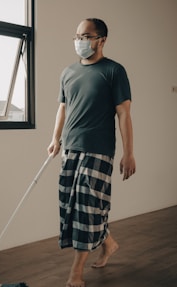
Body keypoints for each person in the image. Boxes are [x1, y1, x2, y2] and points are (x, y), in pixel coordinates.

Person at [47, 18, 136, 287]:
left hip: (98, 150)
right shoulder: (68, 73)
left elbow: (123, 113)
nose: (80, 41)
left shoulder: (114, 71)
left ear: (101, 40)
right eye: (77, 36)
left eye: (86, 36)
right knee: (73, 207)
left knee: (87, 208)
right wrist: (55, 139)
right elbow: (63, 108)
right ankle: (107, 242)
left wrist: (128, 153)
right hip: (70, 148)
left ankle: (76, 273)